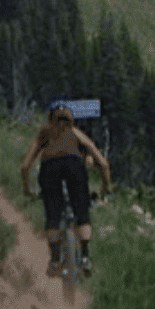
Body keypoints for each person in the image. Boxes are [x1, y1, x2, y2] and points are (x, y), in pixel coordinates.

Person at [20, 100, 113, 276]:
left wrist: (26, 188)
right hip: (74, 167)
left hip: (50, 168)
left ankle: (55, 260)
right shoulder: (75, 133)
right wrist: (105, 187)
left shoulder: (44, 134)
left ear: (49, 117)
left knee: (53, 215)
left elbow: (25, 166)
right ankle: (84, 257)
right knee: (82, 213)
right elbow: (102, 163)